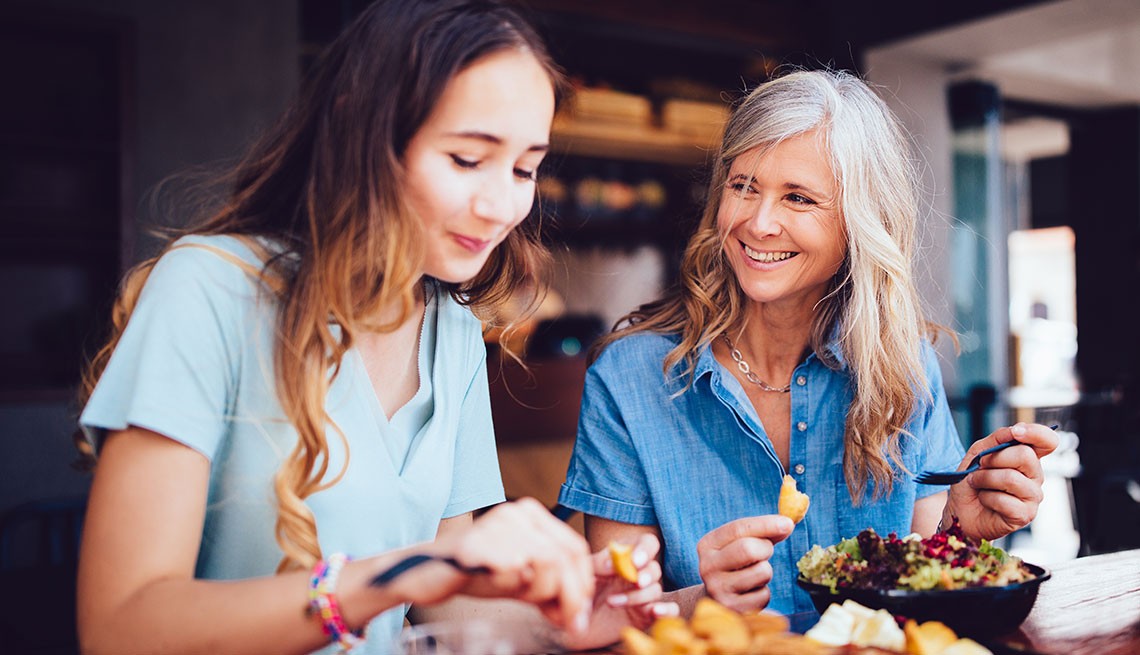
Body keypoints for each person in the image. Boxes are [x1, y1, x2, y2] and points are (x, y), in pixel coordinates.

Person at [74, 2, 673, 653]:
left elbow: (453, 606)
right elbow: (121, 624)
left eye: (525, 168)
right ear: (367, 136)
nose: (502, 205)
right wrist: (400, 574)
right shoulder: (208, 291)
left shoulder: (453, 330)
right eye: (468, 159)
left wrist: (570, 611)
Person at [557, 69, 1059, 617]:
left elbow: (920, 585)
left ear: (859, 223)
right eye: (743, 185)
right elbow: (610, 617)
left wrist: (959, 530)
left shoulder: (903, 367)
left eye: (798, 197)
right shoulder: (629, 378)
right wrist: (705, 600)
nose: (758, 222)